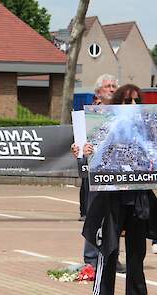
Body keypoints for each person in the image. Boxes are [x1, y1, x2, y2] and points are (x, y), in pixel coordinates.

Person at [82, 84, 157, 295]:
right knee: (108, 252)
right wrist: (85, 153)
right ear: (117, 104)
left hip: (139, 199)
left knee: (136, 256)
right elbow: (87, 165)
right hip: (110, 200)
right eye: (127, 101)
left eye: (137, 101)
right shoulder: (105, 126)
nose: (133, 105)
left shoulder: (149, 129)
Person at [71, 74, 125, 273]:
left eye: (114, 86)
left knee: (116, 217)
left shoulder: (123, 114)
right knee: (95, 215)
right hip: (96, 172)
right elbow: (77, 144)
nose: (111, 89)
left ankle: (113, 257)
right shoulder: (88, 116)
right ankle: (91, 258)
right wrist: (77, 151)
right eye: (107, 86)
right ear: (98, 92)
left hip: (118, 173)